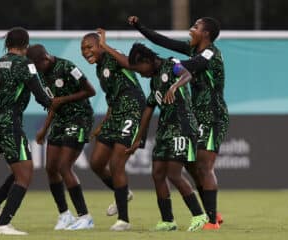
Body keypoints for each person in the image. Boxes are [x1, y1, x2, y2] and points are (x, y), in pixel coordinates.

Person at [128, 16, 228, 229]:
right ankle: (212, 213)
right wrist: (140, 26)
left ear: (206, 34)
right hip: (197, 115)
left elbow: (195, 65)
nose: (191, 30)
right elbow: (162, 41)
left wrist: (167, 65)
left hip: (214, 115)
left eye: (196, 27)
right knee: (193, 167)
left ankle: (211, 220)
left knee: (204, 167)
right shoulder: (192, 50)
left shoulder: (211, 52)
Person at [0, 27, 61, 235]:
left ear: (8, 44)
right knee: (26, 173)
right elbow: (39, 94)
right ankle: (2, 224)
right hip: (9, 124)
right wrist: (55, 105)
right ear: (26, 45)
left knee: (21, 169)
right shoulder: (24, 63)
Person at [126, 42, 208, 231]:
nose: (141, 74)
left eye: (140, 70)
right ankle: (168, 221)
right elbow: (148, 109)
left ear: (147, 60)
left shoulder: (172, 65)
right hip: (165, 129)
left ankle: (199, 216)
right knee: (157, 174)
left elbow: (187, 73)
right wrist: (139, 138)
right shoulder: (153, 80)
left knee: (173, 174)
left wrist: (174, 87)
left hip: (182, 126)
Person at [81, 29, 146, 231]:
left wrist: (106, 46)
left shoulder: (112, 54)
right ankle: (123, 193)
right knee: (97, 163)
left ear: (100, 46)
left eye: (89, 47)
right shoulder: (100, 68)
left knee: (116, 163)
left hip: (132, 111)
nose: (85, 52)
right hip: (115, 113)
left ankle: (123, 220)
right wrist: (103, 122)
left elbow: (131, 65)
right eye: (83, 49)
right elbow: (113, 96)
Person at [26, 44, 96, 230]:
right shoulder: (40, 73)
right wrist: (44, 128)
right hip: (60, 120)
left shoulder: (67, 67)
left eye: (37, 65)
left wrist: (63, 100)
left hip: (79, 118)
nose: (36, 69)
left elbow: (91, 91)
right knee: (51, 168)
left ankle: (85, 217)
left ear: (45, 58)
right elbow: (53, 104)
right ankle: (65, 214)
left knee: (64, 167)